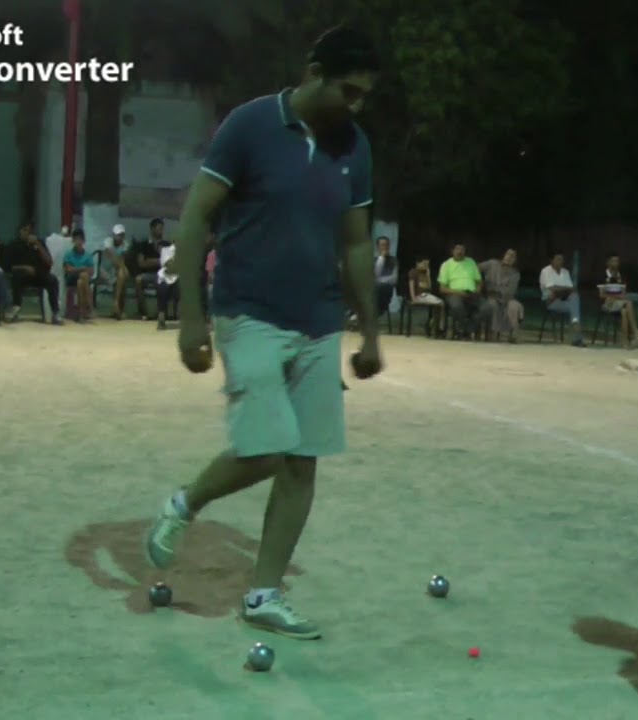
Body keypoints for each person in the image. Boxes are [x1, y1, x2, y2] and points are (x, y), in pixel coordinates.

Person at [144, 26, 383, 641]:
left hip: (318, 320)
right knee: (267, 450)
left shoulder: (354, 146)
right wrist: (191, 316)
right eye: (348, 92)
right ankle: (185, 504)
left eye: (364, 98)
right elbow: (197, 217)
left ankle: (263, 594)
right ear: (313, 72)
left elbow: (355, 243)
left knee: (302, 464)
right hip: (248, 311)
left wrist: (371, 332)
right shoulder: (250, 126)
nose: (355, 108)